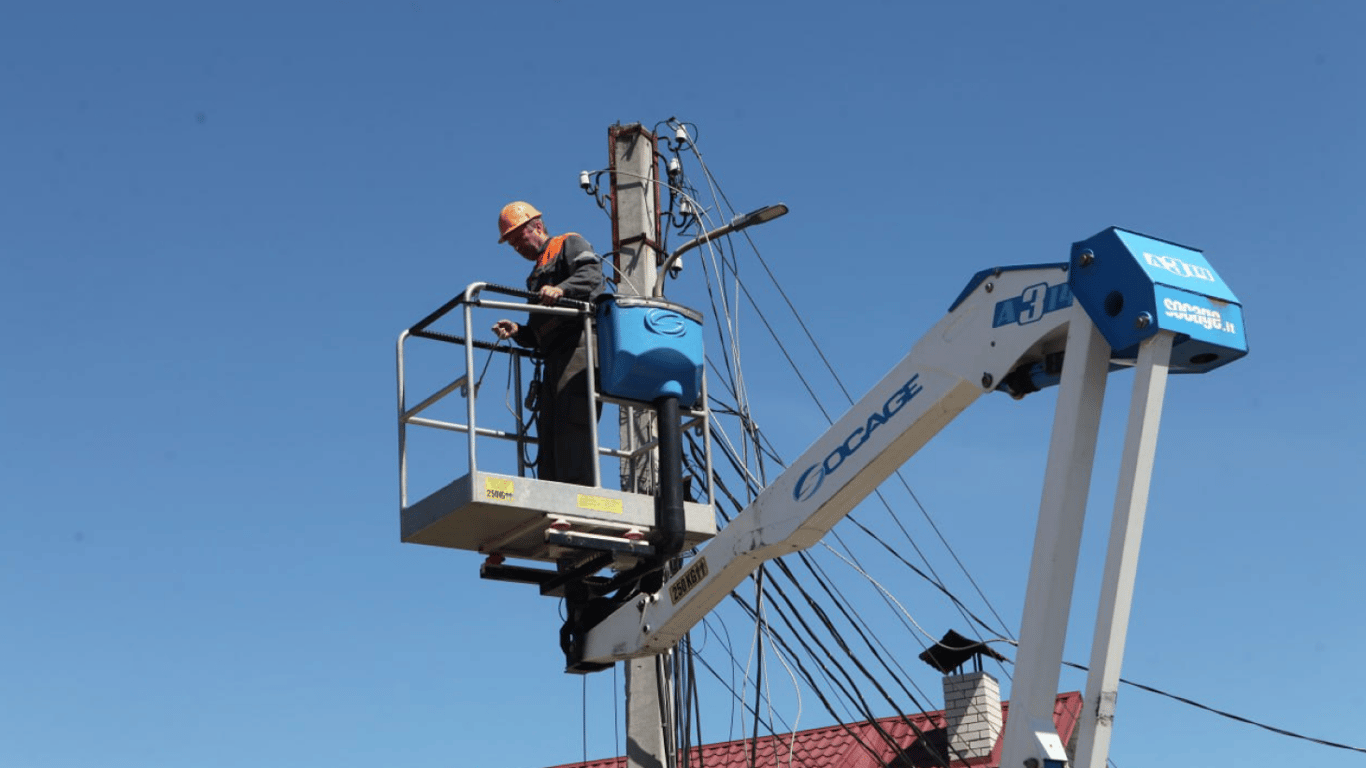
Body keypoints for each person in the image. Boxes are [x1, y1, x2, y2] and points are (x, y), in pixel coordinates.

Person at [490, 201, 605, 487]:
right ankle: (552, 494)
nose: (518, 248)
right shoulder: (533, 277)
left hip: (580, 345)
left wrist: (562, 289)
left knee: (573, 420)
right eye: (513, 245)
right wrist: (518, 331)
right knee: (550, 426)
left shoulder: (569, 243)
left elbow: (592, 276)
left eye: (520, 239)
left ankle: (578, 494)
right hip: (553, 357)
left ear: (537, 227)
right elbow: (539, 333)